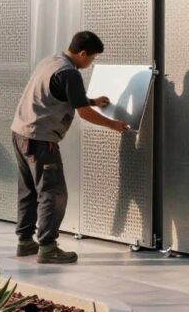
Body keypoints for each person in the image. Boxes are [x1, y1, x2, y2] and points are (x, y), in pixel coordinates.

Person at [11, 31, 130, 264]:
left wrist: (93, 100)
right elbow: (83, 113)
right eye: (92, 58)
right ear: (83, 53)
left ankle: (25, 242)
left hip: (20, 132)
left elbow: (63, 95)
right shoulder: (70, 74)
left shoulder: (52, 61)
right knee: (53, 193)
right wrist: (113, 124)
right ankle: (48, 247)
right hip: (40, 138)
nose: (91, 63)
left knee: (28, 190)